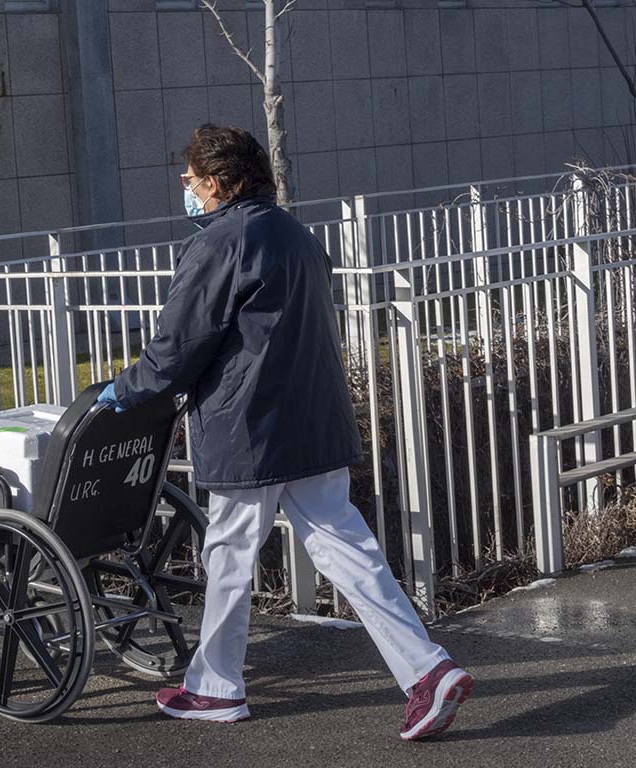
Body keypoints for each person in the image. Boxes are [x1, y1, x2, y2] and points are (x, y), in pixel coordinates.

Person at [96, 124, 473, 740]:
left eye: (190, 180)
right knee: (350, 553)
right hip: (311, 421)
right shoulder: (295, 234)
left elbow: (176, 348)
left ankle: (215, 689)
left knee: (228, 555)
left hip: (250, 426)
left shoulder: (221, 241)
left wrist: (123, 391)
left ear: (214, 184)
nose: (186, 190)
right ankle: (428, 670)